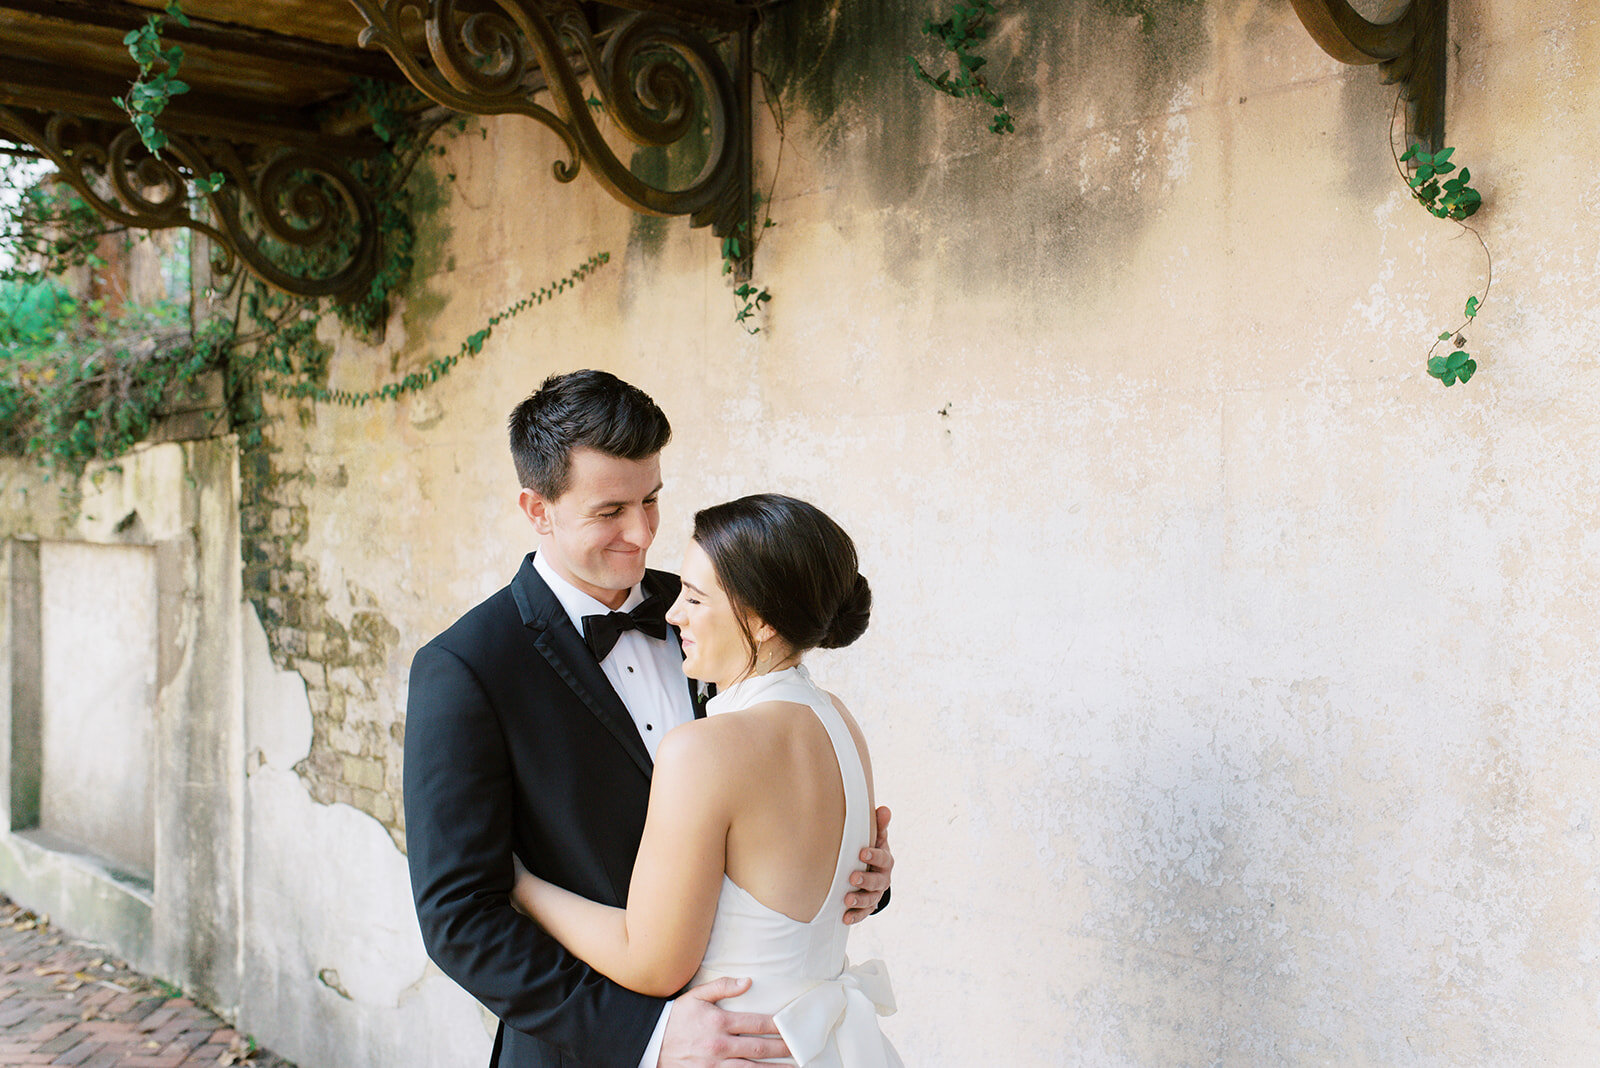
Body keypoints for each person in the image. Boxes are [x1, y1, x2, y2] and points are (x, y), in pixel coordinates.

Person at [403, 370, 894, 1068]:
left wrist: (857, 878)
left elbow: (770, 812)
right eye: (610, 511)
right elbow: (459, 918)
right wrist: (648, 1036)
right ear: (537, 509)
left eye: (652, 499)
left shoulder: (710, 608)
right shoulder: (466, 668)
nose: (642, 533)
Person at [509, 493, 902, 1067]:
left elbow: (650, 962)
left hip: (729, 1049)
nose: (672, 614)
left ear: (762, 620)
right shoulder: (841, 722)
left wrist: (522, 885)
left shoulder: (705, 750)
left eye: (694, 598)